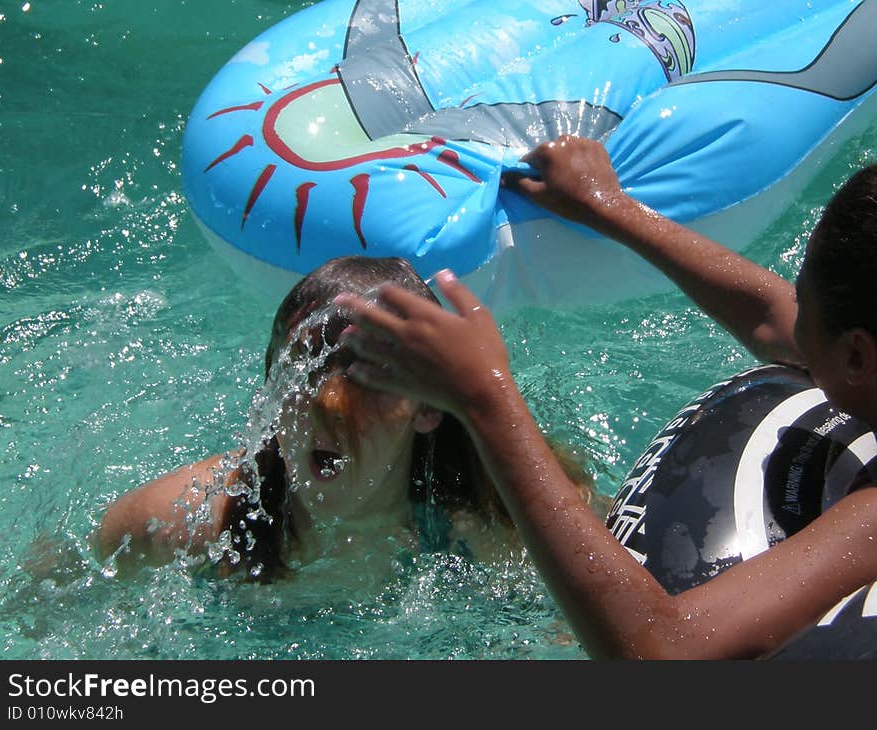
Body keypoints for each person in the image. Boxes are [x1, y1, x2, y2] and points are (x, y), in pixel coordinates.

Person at [336, 136, 877, 659]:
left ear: (857, 356)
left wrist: (484, 398)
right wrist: (608, 207)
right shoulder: (860, 350)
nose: (792, 314)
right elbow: (771, 318)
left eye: (805, 300)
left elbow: (665, 656)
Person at [96, 255, 596, 581]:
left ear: (426, 407)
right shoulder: (188, 523)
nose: (328, 406)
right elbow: (52, 596)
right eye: (302, 375)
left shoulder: (492, 528)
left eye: (368, 377)